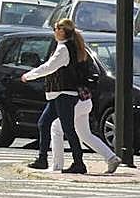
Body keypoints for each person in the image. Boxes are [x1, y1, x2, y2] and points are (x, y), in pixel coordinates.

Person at [47, 27, 121, 175]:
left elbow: (51, 67)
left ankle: (57, 165)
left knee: (56, 127)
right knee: (85, 134)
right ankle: (111, 157)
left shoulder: (66, 51)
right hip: (85, 98)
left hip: (74, 99)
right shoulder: (81, 51)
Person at [22, 17, 88, 174]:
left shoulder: (64, 49)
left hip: (64, 93)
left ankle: (79, 163)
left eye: (56, 29)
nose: (54, 32)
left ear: (62, 31)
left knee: (68, 128)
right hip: (58, 94)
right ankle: (42, 159)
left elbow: (49, 67)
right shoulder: (64, 47)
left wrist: (29, 75)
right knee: (44, 123)